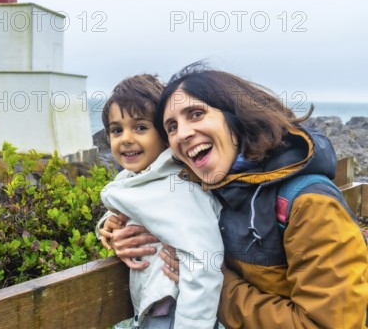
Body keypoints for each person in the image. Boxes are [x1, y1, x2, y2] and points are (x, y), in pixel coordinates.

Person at [104, 62, 368, 328]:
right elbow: (150, 191)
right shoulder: (213, 187)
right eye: (171, 127)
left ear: (235, 114)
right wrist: (117, 229)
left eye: (196, 114)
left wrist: (216, 282)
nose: (182, 134)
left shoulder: (309, 205)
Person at [97, 74, 224, 329]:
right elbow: (127, 204)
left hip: (174, 312)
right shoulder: (139, 178)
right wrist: (108, 223)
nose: (126, 138)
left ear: (165, 134)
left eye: (141, 127)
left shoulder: (177, 186)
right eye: (116, 130)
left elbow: (204, 262)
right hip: (150, 309)